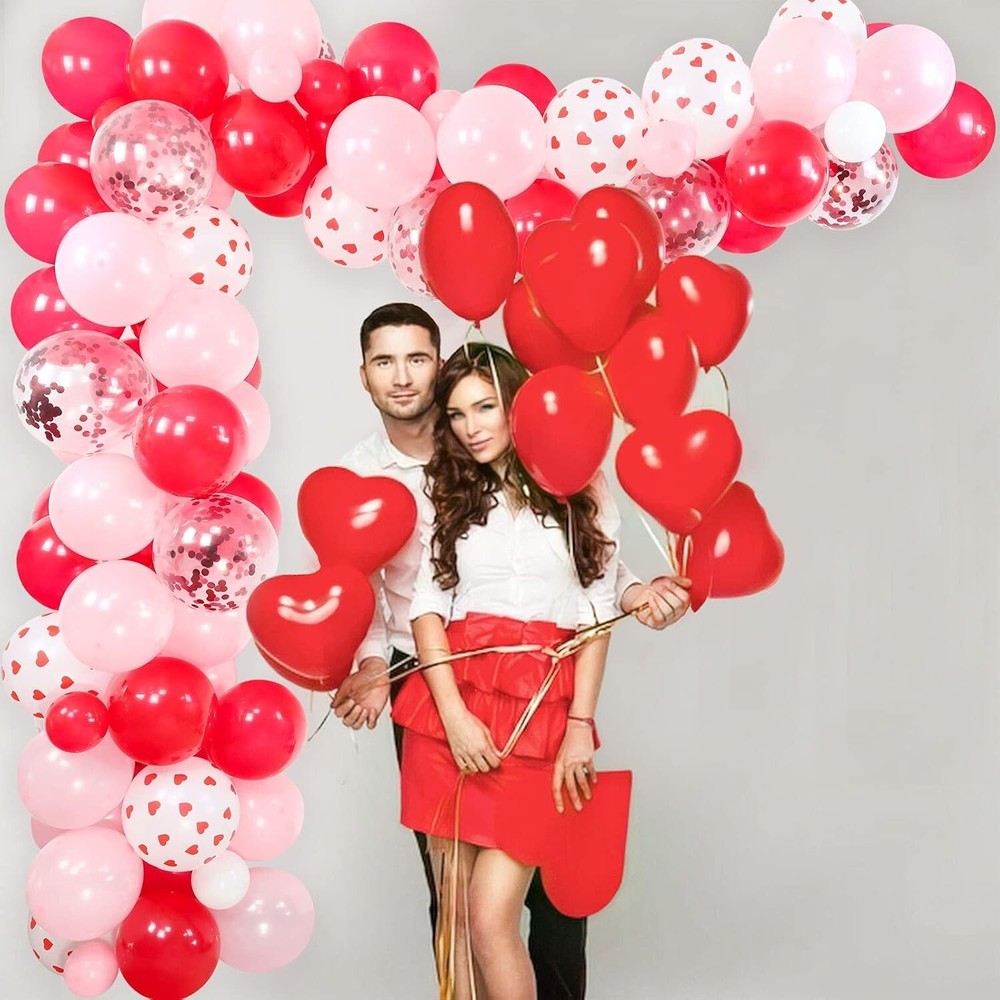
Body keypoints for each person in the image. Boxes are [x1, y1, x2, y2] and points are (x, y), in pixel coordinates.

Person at [334, 304, 691, 999]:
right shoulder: (444, 492)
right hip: (446, 702)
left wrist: (581, 723)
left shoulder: (581, 489)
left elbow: (594, 607)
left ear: (515, 404)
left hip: (539, 709)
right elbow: (424, 608)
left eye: (485, 408)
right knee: (457, 918)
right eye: (459, 414)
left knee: (502, 913)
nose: (471, 427)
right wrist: (451, 717)